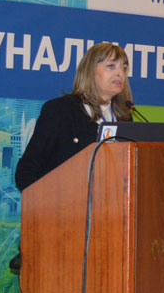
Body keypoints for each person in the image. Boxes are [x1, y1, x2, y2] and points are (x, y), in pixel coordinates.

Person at [15, 42, 134, 191]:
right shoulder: (60, 111)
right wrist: (48, 201)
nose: (120, 73)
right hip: (64, 202)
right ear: (90, 70)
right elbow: (26, 171)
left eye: (124, 68)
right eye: (111, 66)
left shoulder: (124, 117)